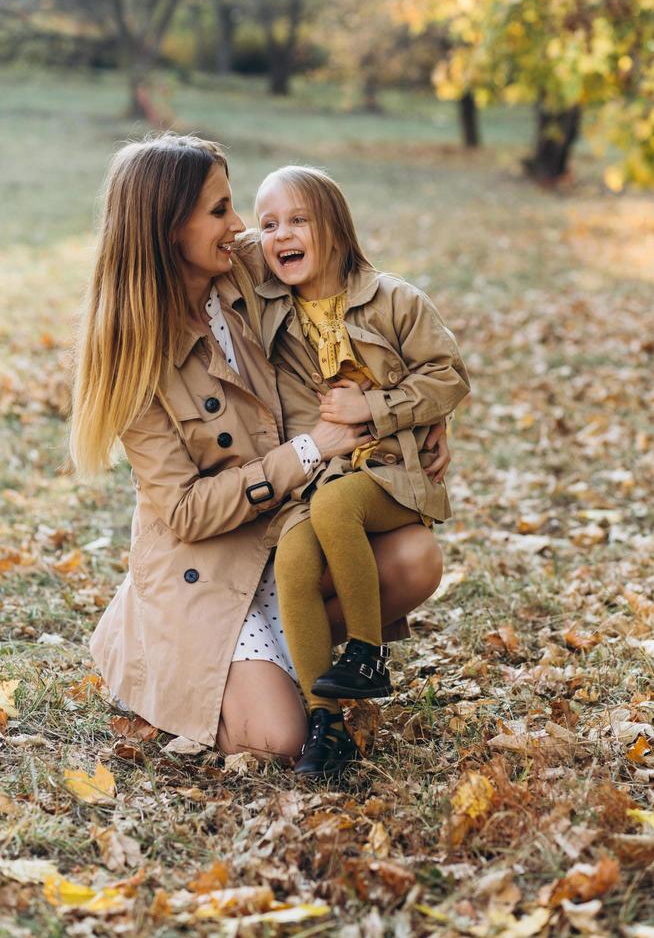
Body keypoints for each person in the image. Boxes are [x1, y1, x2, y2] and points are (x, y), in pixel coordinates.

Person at [69, 134, 450, 763]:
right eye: (220, 211)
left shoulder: (247, 263)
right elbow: (186, 512)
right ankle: (161, 646)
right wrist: (309, 450)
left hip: (291, 525)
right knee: (279, 741)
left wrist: (422, 412)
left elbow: (361, 309)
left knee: (416, 558)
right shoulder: (131, 356)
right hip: (208, 562)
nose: (242, 226)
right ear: (168, 229)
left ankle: (285, 652)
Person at [252, 165, 470, 776]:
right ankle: (326, 722)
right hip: (324, 474)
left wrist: (373, 407)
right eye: (269, 225)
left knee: (334, 507)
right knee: (295, 557)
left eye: (298, 220)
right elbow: (231, 242)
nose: (280, 234)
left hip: (398, 473)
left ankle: (369, 655)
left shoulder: (394, 299)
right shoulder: (275, 308)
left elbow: (448, 375)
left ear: (338, 233)